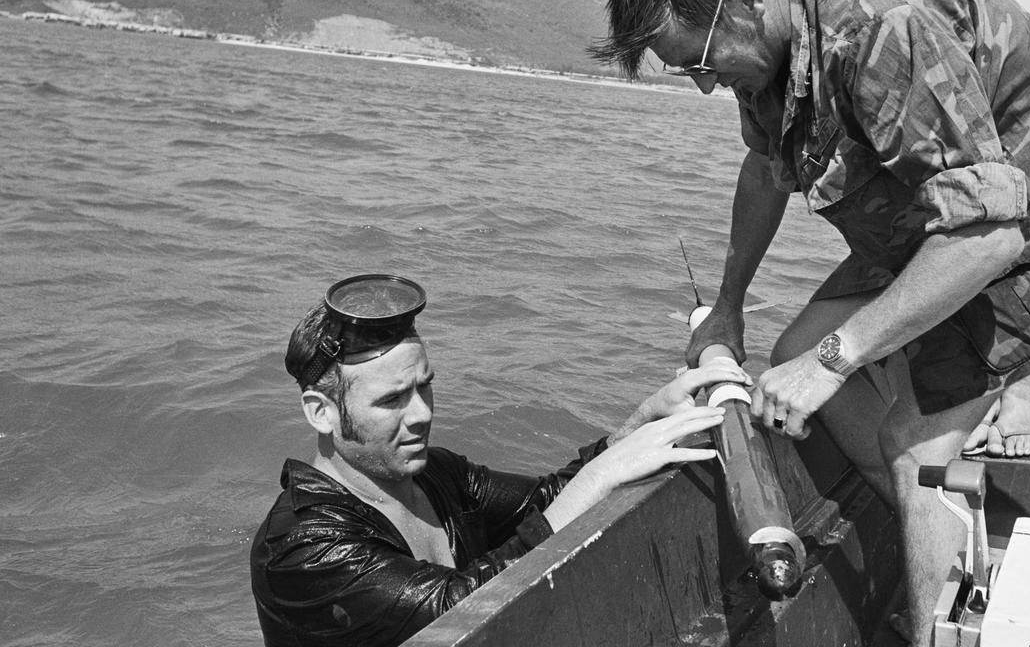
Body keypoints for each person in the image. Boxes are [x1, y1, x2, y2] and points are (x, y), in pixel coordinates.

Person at [590, 0, 1030, 644]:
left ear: (741, 4)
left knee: (911, 440)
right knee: (793, 347)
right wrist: (728, 307)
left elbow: (994, 233)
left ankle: (940, 599)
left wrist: (837, 358)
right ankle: (945, 547)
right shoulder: (767, 48)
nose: (705, 86)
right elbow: (765, 167)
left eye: (700, 64)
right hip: (944, 226)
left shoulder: (883, 25)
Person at [250, 274, 746, 647]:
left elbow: (549, 501)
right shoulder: (302, 548)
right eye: (391, 400)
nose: (421, 414)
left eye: (426, 386)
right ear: (322, 413)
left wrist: (643, 418)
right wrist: (600, 474)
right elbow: (456, 610)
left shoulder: (434, 471)